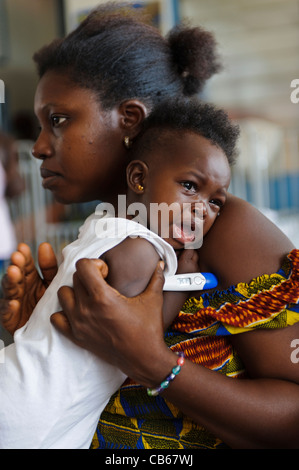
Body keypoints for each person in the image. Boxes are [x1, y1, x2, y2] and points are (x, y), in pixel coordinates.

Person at [1, 2, 299, 449]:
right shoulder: (106, 232)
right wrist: (45, 329)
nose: (39, 147)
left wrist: (154, 362)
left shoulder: (224, 229)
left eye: (58, 121)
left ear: (130, 120)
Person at [0, 98, 238, 449]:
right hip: (31, 416)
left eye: (216, 201)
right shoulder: (139, 250)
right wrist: (182, 284)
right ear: (139, 178)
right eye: (189, 186)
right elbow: (136, 336)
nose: (202, 209)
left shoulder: (105, 224)